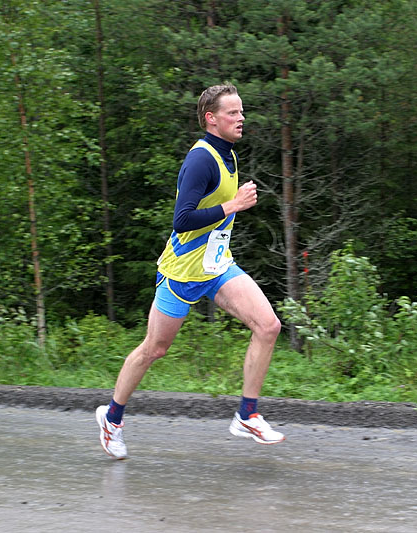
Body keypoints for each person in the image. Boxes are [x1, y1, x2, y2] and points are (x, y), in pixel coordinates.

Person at [95, 83, 285, 459]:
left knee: (269, 326)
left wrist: (230, 208)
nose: (241, 118)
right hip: (182, 271)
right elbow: (182, 220)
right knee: (154, 349)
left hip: (217, 266)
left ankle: (247, 414)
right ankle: (111, 418)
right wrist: (233, 205)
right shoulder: (201, 159)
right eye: (233, 112)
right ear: (211, 119)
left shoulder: (228, 154)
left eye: (242, 111)